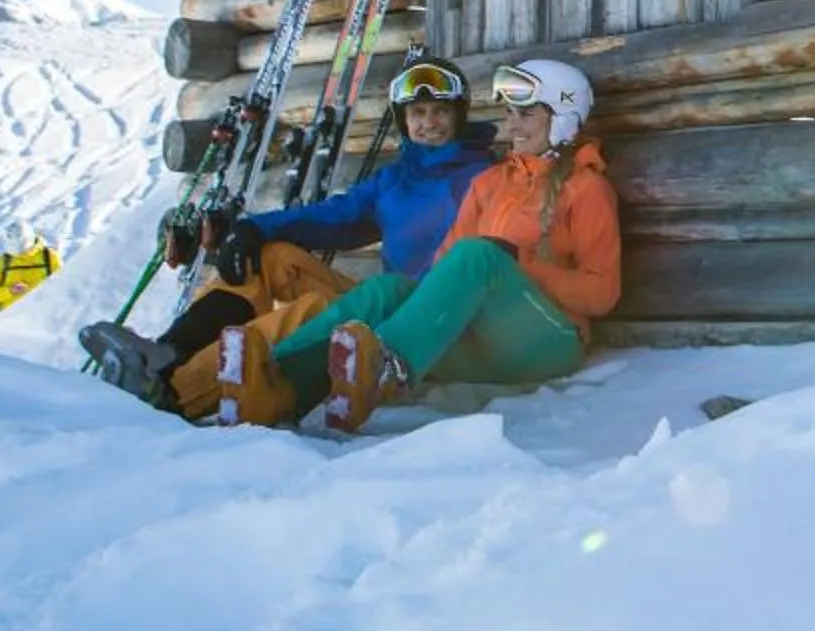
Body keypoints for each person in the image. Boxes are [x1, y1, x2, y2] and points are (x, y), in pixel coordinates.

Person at [214, 58, 620, 433]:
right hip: (486, 344)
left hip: (551, 339)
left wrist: (520, 262)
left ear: (565, 116)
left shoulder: (585, 189)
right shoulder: (490, 183)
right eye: (510, 113)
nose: (512, 126)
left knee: (478, 254)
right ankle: (277, 383)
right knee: (387, 288)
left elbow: (602, 294)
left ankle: (384, 370)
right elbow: (445, 267)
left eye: (526, 113)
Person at [80, 57, 494, 419]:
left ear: (459, 115)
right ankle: (168, 353)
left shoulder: (481, 177)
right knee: (272, 256)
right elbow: (337, 217)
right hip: (382, 306)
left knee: (312, 310)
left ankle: (177, 393)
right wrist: (257, 228)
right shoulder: (395, 178)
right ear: (403, 119)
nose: (428, 123)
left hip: (423, 326)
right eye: (417, 112)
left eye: (440, 111)